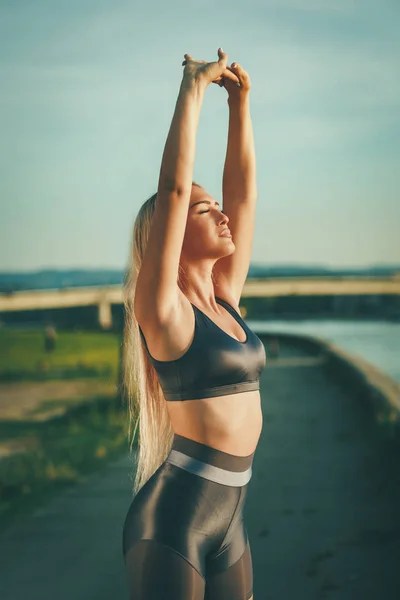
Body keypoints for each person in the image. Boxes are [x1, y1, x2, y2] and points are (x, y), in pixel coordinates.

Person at [121, 48, 266, 600]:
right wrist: (193, 90)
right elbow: (175, 189)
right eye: (206, 211)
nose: (223, 214)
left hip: (233, 517)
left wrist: (240, 105)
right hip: (173, 521)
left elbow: (245, 193)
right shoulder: (162, 311)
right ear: (173, 235)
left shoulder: (225, 298)